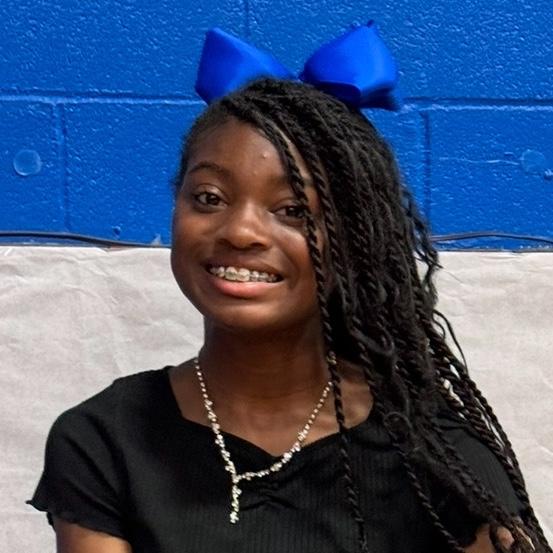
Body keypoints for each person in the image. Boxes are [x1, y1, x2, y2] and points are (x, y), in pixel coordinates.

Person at [28, 25, 551, 553]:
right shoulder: (105, 439)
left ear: (353, 240)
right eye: (209, 197)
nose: (240, 231)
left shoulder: (434, 452)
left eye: (294, 209)